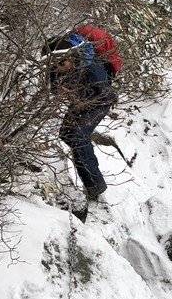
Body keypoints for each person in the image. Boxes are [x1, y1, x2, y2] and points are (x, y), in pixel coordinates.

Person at [45, 29, 119, 200]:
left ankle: (96, 185)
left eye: (62, 65)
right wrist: (61, 90)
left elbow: (105, 95)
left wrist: (78, 96)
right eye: (55, 65)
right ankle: (86, 176)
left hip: (99, 103)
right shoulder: (57, 62)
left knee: (78, 136)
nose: (58, 69)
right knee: (66, 134)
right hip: (80, 100)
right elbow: (55, 86)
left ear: (71, 58)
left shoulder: (92, 66)